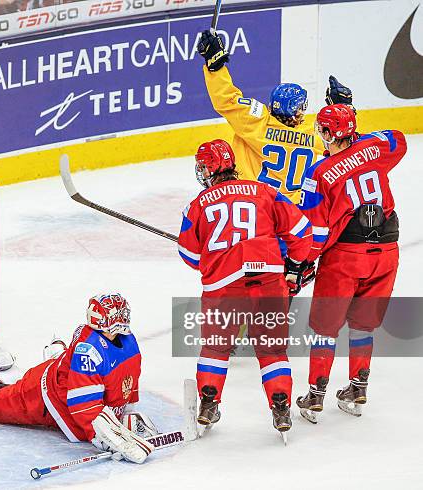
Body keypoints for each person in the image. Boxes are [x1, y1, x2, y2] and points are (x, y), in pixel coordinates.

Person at [177, 138, 312, 438]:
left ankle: (208, 404)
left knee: (215, 348)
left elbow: (189, 256)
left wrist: (214, 259)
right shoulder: (265, 191)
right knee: (272, 350)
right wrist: (294, 266)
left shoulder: (197, 205)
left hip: (224, 287)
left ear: (209, 169)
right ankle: (281, 406)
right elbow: (303, 232)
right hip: (269, 280)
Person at [295, 105, 407, 422]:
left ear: (334, 133)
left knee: (325, 327)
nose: (322, 136)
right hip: (386, 253)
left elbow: (315, 230)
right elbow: (399, 140)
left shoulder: (318, 173)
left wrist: (302, 261)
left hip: (345, 256)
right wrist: (362, 145)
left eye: (325, 130)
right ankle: (358, 387)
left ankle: (316, 394)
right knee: (362, 324)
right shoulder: (375, 147)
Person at [0, 293, 157, 464]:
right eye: (118, 313)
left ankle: (48, 356)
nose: (123, 316)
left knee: (44, 371)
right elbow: (82, 408)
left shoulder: (127, 341)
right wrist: (104, 436)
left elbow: (126, 382)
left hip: (58, 372)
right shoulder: (89, 350)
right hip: (48, 397)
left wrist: (121, 414)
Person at [196, 30, 354, 205]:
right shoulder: (316, 136)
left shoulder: (255, 122)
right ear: (299, 111)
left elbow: (226, 100)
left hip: (254, 205)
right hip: (293, 213)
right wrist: (344, 109)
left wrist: (215, 66)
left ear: (271, 106)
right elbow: (346, 144)